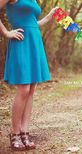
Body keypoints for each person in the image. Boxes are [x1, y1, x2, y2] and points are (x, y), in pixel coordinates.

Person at [0, 0, 57, 151]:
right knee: (24, 89)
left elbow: (32, 22)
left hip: (34, 41)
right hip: (21, 41)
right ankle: (14, 133)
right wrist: (6, 32)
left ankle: (24, 132)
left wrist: (49, 16)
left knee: (31, 89)